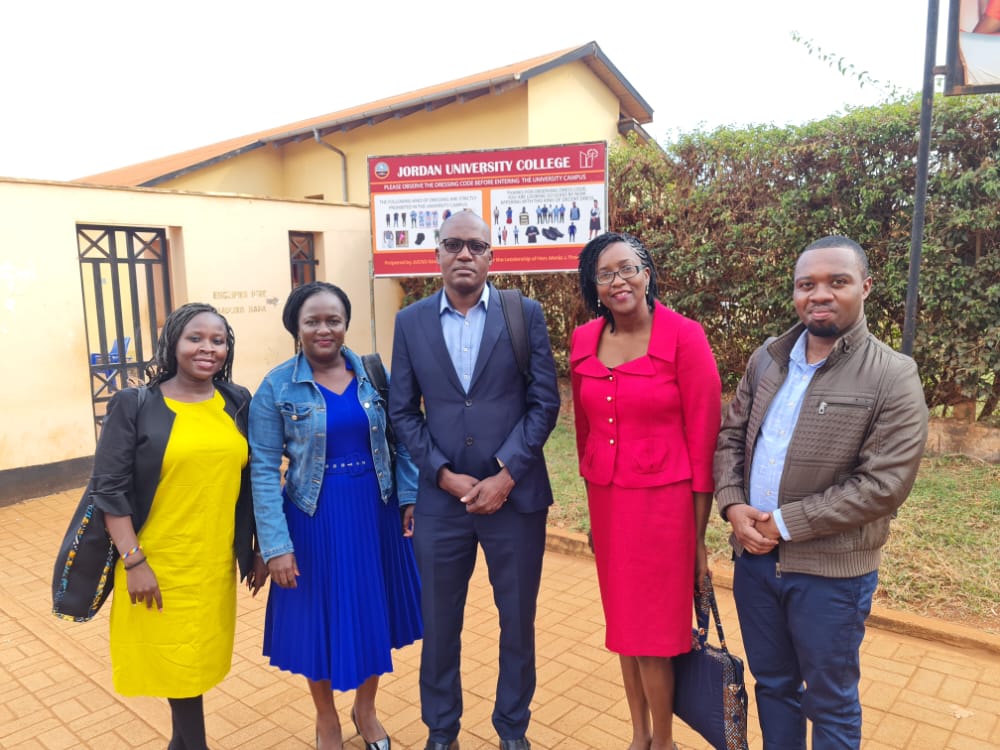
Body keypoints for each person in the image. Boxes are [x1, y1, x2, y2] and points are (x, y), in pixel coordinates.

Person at [714, 236, 929, 750]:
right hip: (755, 565)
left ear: (865, 287)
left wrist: (783, 524)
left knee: (830, 701)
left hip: (832, 575)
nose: (820, 294)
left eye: (837, 281)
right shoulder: (768, 359)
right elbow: (730, 437)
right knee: (774, 687)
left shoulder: (893, 376)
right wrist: (733, 503)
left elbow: (883, 486)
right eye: (806, 284)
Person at [388, 210, 560, 750]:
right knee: (439, 624)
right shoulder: (411, 322)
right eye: (453, 245)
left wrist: (506, 474)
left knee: (517, 622)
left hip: (516, 499)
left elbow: (544, 401)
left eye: (476, 246)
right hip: (442, 506)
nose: (464, 254)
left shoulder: (522, 313)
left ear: (492, 256)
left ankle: (513, 729)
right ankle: (442, 731)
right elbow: (402, 412)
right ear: (436, 254)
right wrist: (441, 475)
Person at [250, 281, 422, 750]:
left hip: (376, 511)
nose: (324, 329)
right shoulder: (277, 385)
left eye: (333, 320)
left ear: (346, 323)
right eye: (313, 321)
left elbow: (403, 438)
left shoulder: (372, 373)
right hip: (313, 517)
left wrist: (409, 496)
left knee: (373, 612)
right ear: (296, 328)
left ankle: (365, 710)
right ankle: (326, 719)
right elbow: (263, 469)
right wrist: (276, 545)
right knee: (317, 618)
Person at [570, 233, 721, 750]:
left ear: (647, 271)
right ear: (595, 287)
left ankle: (663, 741)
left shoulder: (684, 337)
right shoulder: (584, 338)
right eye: (605, 274)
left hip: (665, 511)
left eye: (628, 268)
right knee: (625, 628)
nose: (619, 281)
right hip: (611, 508)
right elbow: (584, 435)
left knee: (654, 634)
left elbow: (703, 448)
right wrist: (594, 518)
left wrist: (697, 540)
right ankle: (638, 734)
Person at [97, 302, 265, 750]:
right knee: (181, 675)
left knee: (195, 667)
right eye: (195, 338)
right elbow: (108, 490)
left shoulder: (237, 401)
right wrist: (134, 561)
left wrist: (259, 546)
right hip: (156, 565)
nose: (208, 348)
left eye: (218, 340)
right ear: (173, 343)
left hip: (211, 567)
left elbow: (255, 477)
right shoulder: (136, 405)